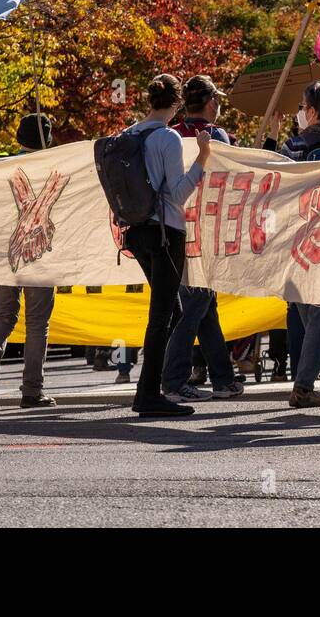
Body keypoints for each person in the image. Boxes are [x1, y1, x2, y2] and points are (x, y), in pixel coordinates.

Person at [119, 74, 209, 417]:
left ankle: (149, 388)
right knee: (162, 315)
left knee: (170, 312)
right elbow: (179, 194)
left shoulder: (131, 134)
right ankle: (148, 394)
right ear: (176, 104)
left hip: (137, 231)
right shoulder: (167, 138)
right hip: (165, 232)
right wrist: (203, 156)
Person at [263, 79, 320, 407]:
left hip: (296, 241)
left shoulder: (294, 147)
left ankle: (303, 387)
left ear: (313, 111)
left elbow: (270, 180)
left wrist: (272, 137)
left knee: (313, 315)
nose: (300, 112)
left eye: (302, 107)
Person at [160, 75, 244, 405]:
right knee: (193, 308)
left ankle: (223, 378)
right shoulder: (216, 137)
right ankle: (173, 379)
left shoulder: (172, 136)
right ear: (211, 104)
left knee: (205, 306)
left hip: (176, 232)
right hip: (207, 236)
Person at [0, 114, 59, 409]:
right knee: (37, 324)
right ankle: (32, 390)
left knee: (3, 318)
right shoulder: (56, 167)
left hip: (4, 254)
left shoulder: (1, 166)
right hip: (41, 254)